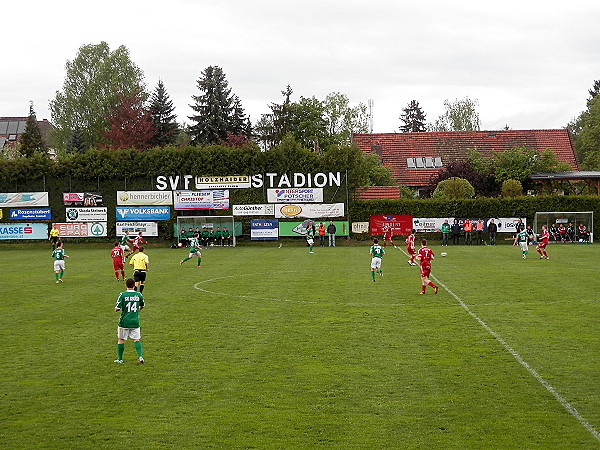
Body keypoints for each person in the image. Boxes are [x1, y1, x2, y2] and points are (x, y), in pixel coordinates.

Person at [114, 278, 145, 364]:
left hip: (124, 321)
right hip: (135, 321)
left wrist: (116, 309)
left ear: (126, 285)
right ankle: (140, 356)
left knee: (121, 339)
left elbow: (117, 308)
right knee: (136, 339)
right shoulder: (138, 295)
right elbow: (142, 305)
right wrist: (138, 310)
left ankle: (120, 359)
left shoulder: (122, 295)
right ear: (134, 285)